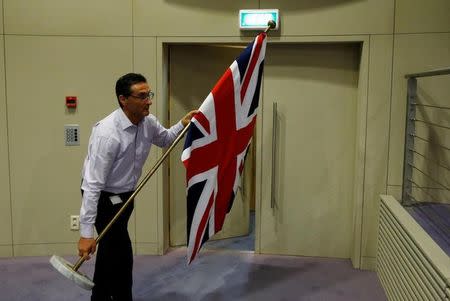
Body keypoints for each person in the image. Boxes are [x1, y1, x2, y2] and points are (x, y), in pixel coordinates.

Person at [78, 73, 197, 301]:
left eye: (149, 94)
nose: (149, 101)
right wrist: (85, 234)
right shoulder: (107, 134)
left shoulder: (147, 122)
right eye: (142, 96)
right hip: (104, 197)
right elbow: (93, 186)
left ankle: (100, 296)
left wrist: (183, 123)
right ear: (124, 99)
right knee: (121, 254)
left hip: (126, 196)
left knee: (109, 254)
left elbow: (164, 139)